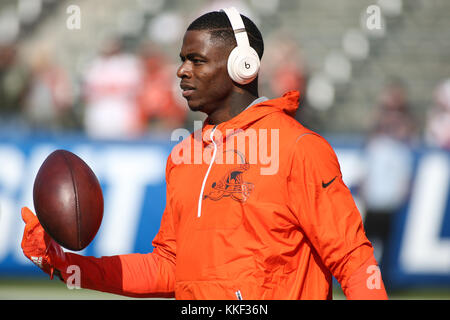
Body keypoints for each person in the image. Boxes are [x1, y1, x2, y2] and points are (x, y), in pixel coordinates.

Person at [20, 8, 387, 300]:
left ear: (242, 66)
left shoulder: (298, 148)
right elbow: (167, 269)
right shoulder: (184, 157)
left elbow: (353, 260)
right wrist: (66, 264)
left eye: (197, 60)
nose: (181, 71)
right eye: (183, 59)